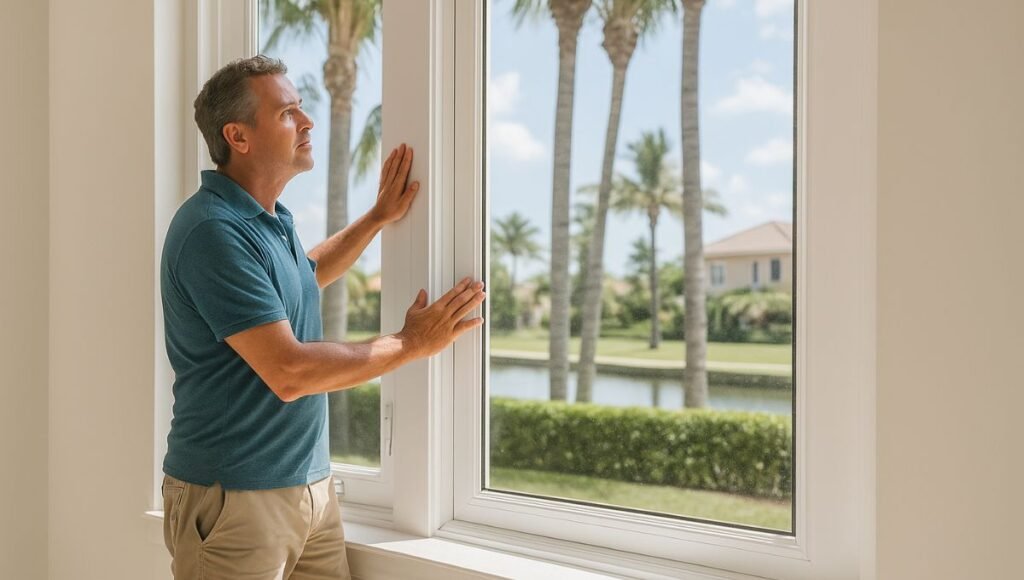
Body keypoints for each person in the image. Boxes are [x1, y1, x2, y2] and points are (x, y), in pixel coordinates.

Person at [159, 55, 485, 580]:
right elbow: (290, 372)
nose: (307, 122)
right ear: (237, 137)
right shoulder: (211, 231)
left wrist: (377, 218)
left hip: (308, 490)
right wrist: (410, 343)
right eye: (288, 113)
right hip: (233, 499)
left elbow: (304, 277)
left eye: (301, 109)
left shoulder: (270, 220)